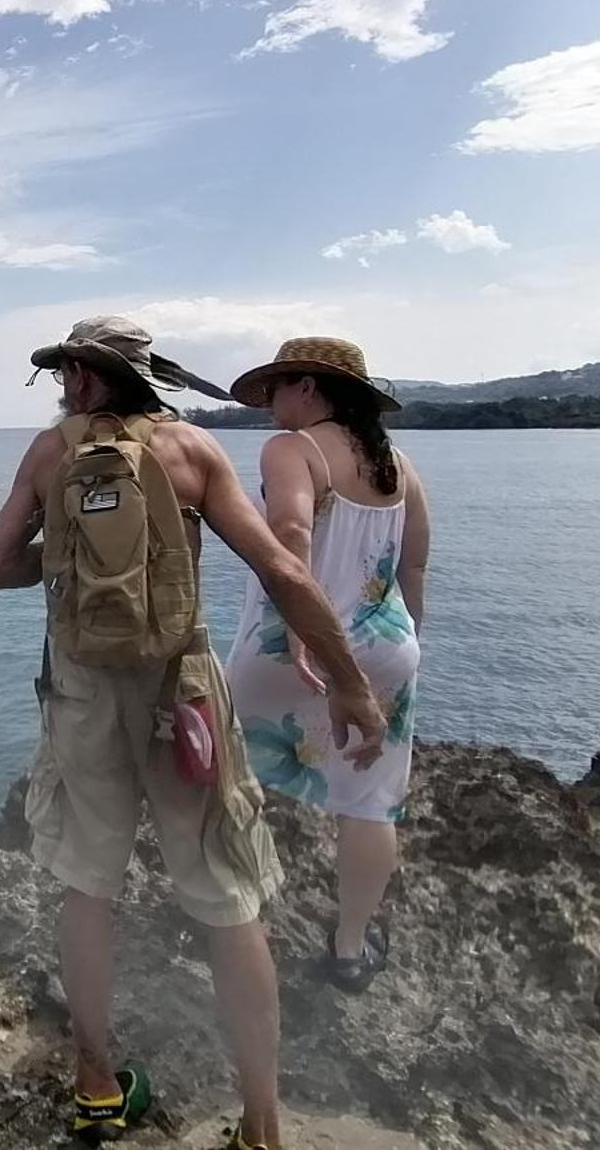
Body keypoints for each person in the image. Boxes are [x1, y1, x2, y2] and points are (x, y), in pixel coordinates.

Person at [0, 316, 387, 1150]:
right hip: (184, 696)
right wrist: (350, 685)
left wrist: (74, 566)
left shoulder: (50, 455)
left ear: (87, 379)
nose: (62, 388)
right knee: (230, 900)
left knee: (88, 889)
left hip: (83, 695)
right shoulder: (192, 451)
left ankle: (97, 1087)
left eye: (66, 375)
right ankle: (261, 1128)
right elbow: (282, 569)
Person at [223, 339, 430, 993]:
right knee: (371, 803)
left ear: (308, 388)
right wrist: (397, 653)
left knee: (224, 774)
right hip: (382, 650)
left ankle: (232, 922)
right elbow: (413, 567)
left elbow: (290, 534)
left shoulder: (292, 451)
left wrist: (301, 632)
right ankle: (348, 949)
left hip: (291, 644)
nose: (270, 405)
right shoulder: (398, 466)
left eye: (277, 388)